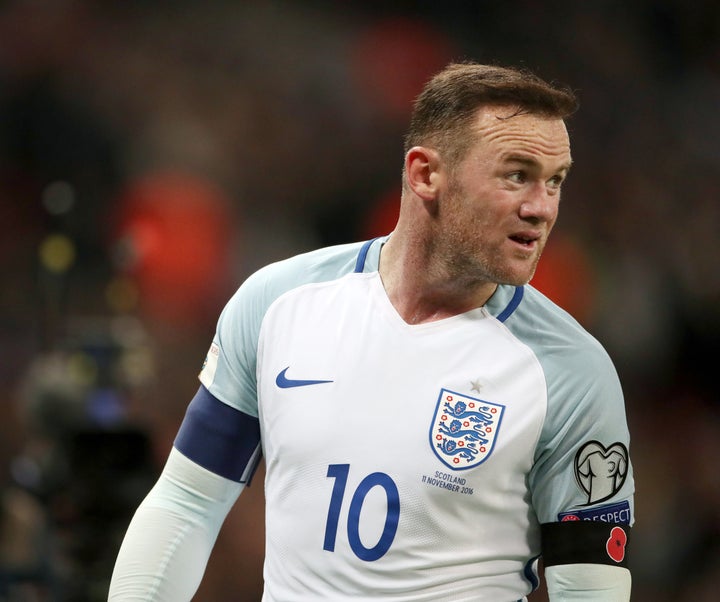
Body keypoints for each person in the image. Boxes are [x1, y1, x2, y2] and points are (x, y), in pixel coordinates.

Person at [108, 62, 634, 601]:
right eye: (516, 174)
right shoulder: (278, 304)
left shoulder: (571, 372)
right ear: (426, 174)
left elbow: (591, 587)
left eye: (555, 181)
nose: (541, 207)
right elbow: (188, 502)